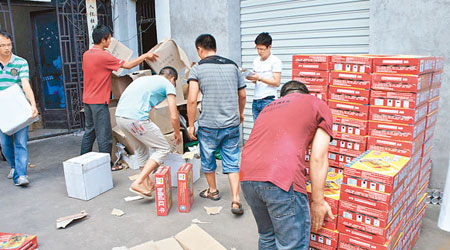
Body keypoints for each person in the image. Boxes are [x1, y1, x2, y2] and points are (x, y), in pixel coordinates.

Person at [240, 80, 334, 249]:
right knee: (291, 245)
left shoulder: (268, 108)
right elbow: (318, 157)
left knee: (267, 236)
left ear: (282, 96)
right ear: (306, 94)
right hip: (281, 180)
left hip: (248, 177)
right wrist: (318, 202)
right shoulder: (316, 104)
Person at [80, 24, 158, 171]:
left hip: (87, 101)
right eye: (109, 38)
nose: (110, 41)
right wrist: (145, 56)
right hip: (98, 101)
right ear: (103, 40)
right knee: (105, 135)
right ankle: (107, 165)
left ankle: (81, 161)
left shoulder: (86, 54)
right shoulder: (104, 56)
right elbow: (127, 65)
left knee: (89, 132)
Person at [187, 34, 246, 215]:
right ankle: (236, 200)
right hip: (231, 124)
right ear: (215, 47)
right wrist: (240, 113)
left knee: (208, 157)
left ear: (199, 49)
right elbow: (242, 95)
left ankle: (213, 191)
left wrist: (190, 125)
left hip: (209, 125)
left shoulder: (197, 69)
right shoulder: (233, 66)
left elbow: (191, 99)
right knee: (232, 159)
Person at [115, 66, 181, 198]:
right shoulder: (168, 84)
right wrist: (177, 132)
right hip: (136, 119)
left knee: (141, 149)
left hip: (120, 118)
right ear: (172, 79)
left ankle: (146, 184)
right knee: (163, 148)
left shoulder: (144, 80)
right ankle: (139, 181)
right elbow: (174, 115)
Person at [0, 31, 38, 186]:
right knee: (4, 144)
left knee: (21, 142)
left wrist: (33, 105)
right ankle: (15, 167)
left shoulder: (21, 62)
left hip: (18, 108)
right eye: (2, 45)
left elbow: (25, 84)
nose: (6, 48)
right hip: (2, 111)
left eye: (8, 44)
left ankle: (21, 175)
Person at [245, 32, 282, 121]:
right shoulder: (256, 61)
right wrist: (250, 77)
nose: (259, 51)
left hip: (268, 100)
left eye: (262, 49)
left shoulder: (275, 61)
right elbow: (256, 80)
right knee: (257, 130)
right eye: (257, 48)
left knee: (268, 130)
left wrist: (260, 78)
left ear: (269, 47)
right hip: (256, 100)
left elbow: (277, 82)